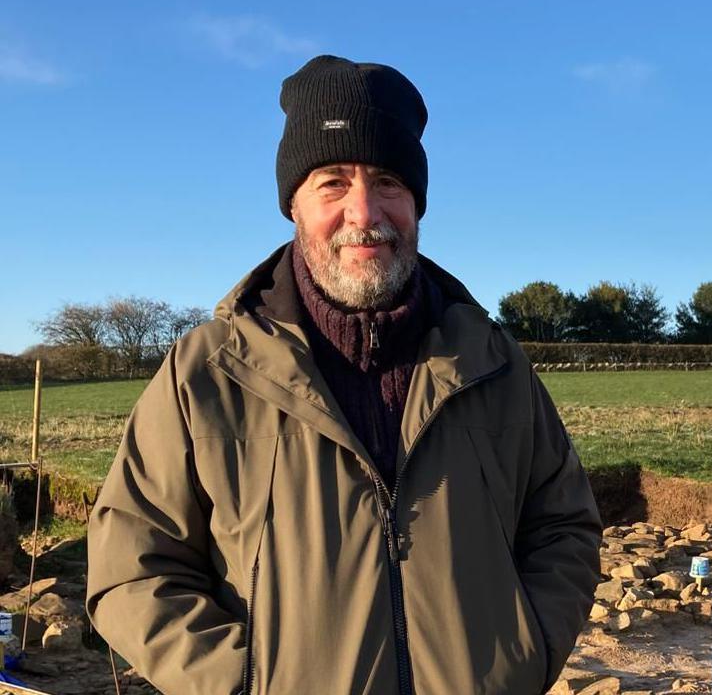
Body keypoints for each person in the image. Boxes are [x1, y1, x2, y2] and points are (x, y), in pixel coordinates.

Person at [87, 55, 602, 695]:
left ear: (416, 201)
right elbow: (131, 568)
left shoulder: (493, 362)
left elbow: (564, 527)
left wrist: (523, 658)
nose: (365, 213)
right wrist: (243, 684)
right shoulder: (207, 374)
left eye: (388, 181)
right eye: (333, 182)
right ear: (293, 204)